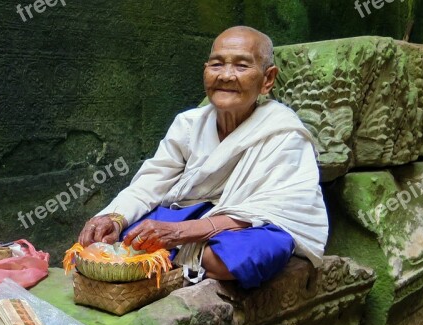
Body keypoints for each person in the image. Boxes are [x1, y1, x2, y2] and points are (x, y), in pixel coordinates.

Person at [77, 26, 328, 288]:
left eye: (242, 66)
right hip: (192, 213)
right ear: (205, 71)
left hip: (248, 227)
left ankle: (184, 256)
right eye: (217, 64)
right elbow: (150, 184)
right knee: (120, 239)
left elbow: (280, 209)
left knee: (232, 258)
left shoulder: (284, 131)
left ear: (267, 79)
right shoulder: (188, 124)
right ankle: (181, 254)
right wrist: (114, 218)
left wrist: (178, 233)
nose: (226, 76)